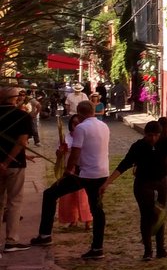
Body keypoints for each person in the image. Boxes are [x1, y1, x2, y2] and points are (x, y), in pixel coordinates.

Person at [100, 120, 167, 260]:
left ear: (159, 135)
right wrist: (107, 183)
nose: (153, 138)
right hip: (143, 183)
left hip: (162, 181)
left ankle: (160, 249)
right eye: (150, 135)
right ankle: (147, 251)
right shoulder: (138, 146)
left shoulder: (165, 144)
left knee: (160, 215)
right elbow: (124, 165)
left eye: (156, 135)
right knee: (146, 215)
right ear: (145, 134)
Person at [32, 100, 110, 259]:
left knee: (50, 194)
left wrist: (68, 170)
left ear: (80, 113)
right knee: (97, 209)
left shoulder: (81, 128)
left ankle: (45, 234)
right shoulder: (104, 126)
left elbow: (75, 152)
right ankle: (97, 248)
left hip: (85, 174)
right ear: (93, 111)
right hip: (102, 172)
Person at [0, 86, 33, 252]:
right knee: (14, 201)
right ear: (15, 99)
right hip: (15, 165)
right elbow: (22, 142)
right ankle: (11, 240)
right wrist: (7, 161)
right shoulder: (22, 116)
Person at [56, 115, 93, 231]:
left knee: (83, 196)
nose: (76, 126)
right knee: (68, 195)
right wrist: (61, 151)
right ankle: (73, 219)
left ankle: (88, 220)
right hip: (68, 169)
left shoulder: (85, 136)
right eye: (73, 123)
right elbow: (59, 154)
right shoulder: (66, 137)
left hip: (82, 169)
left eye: (78, 123)